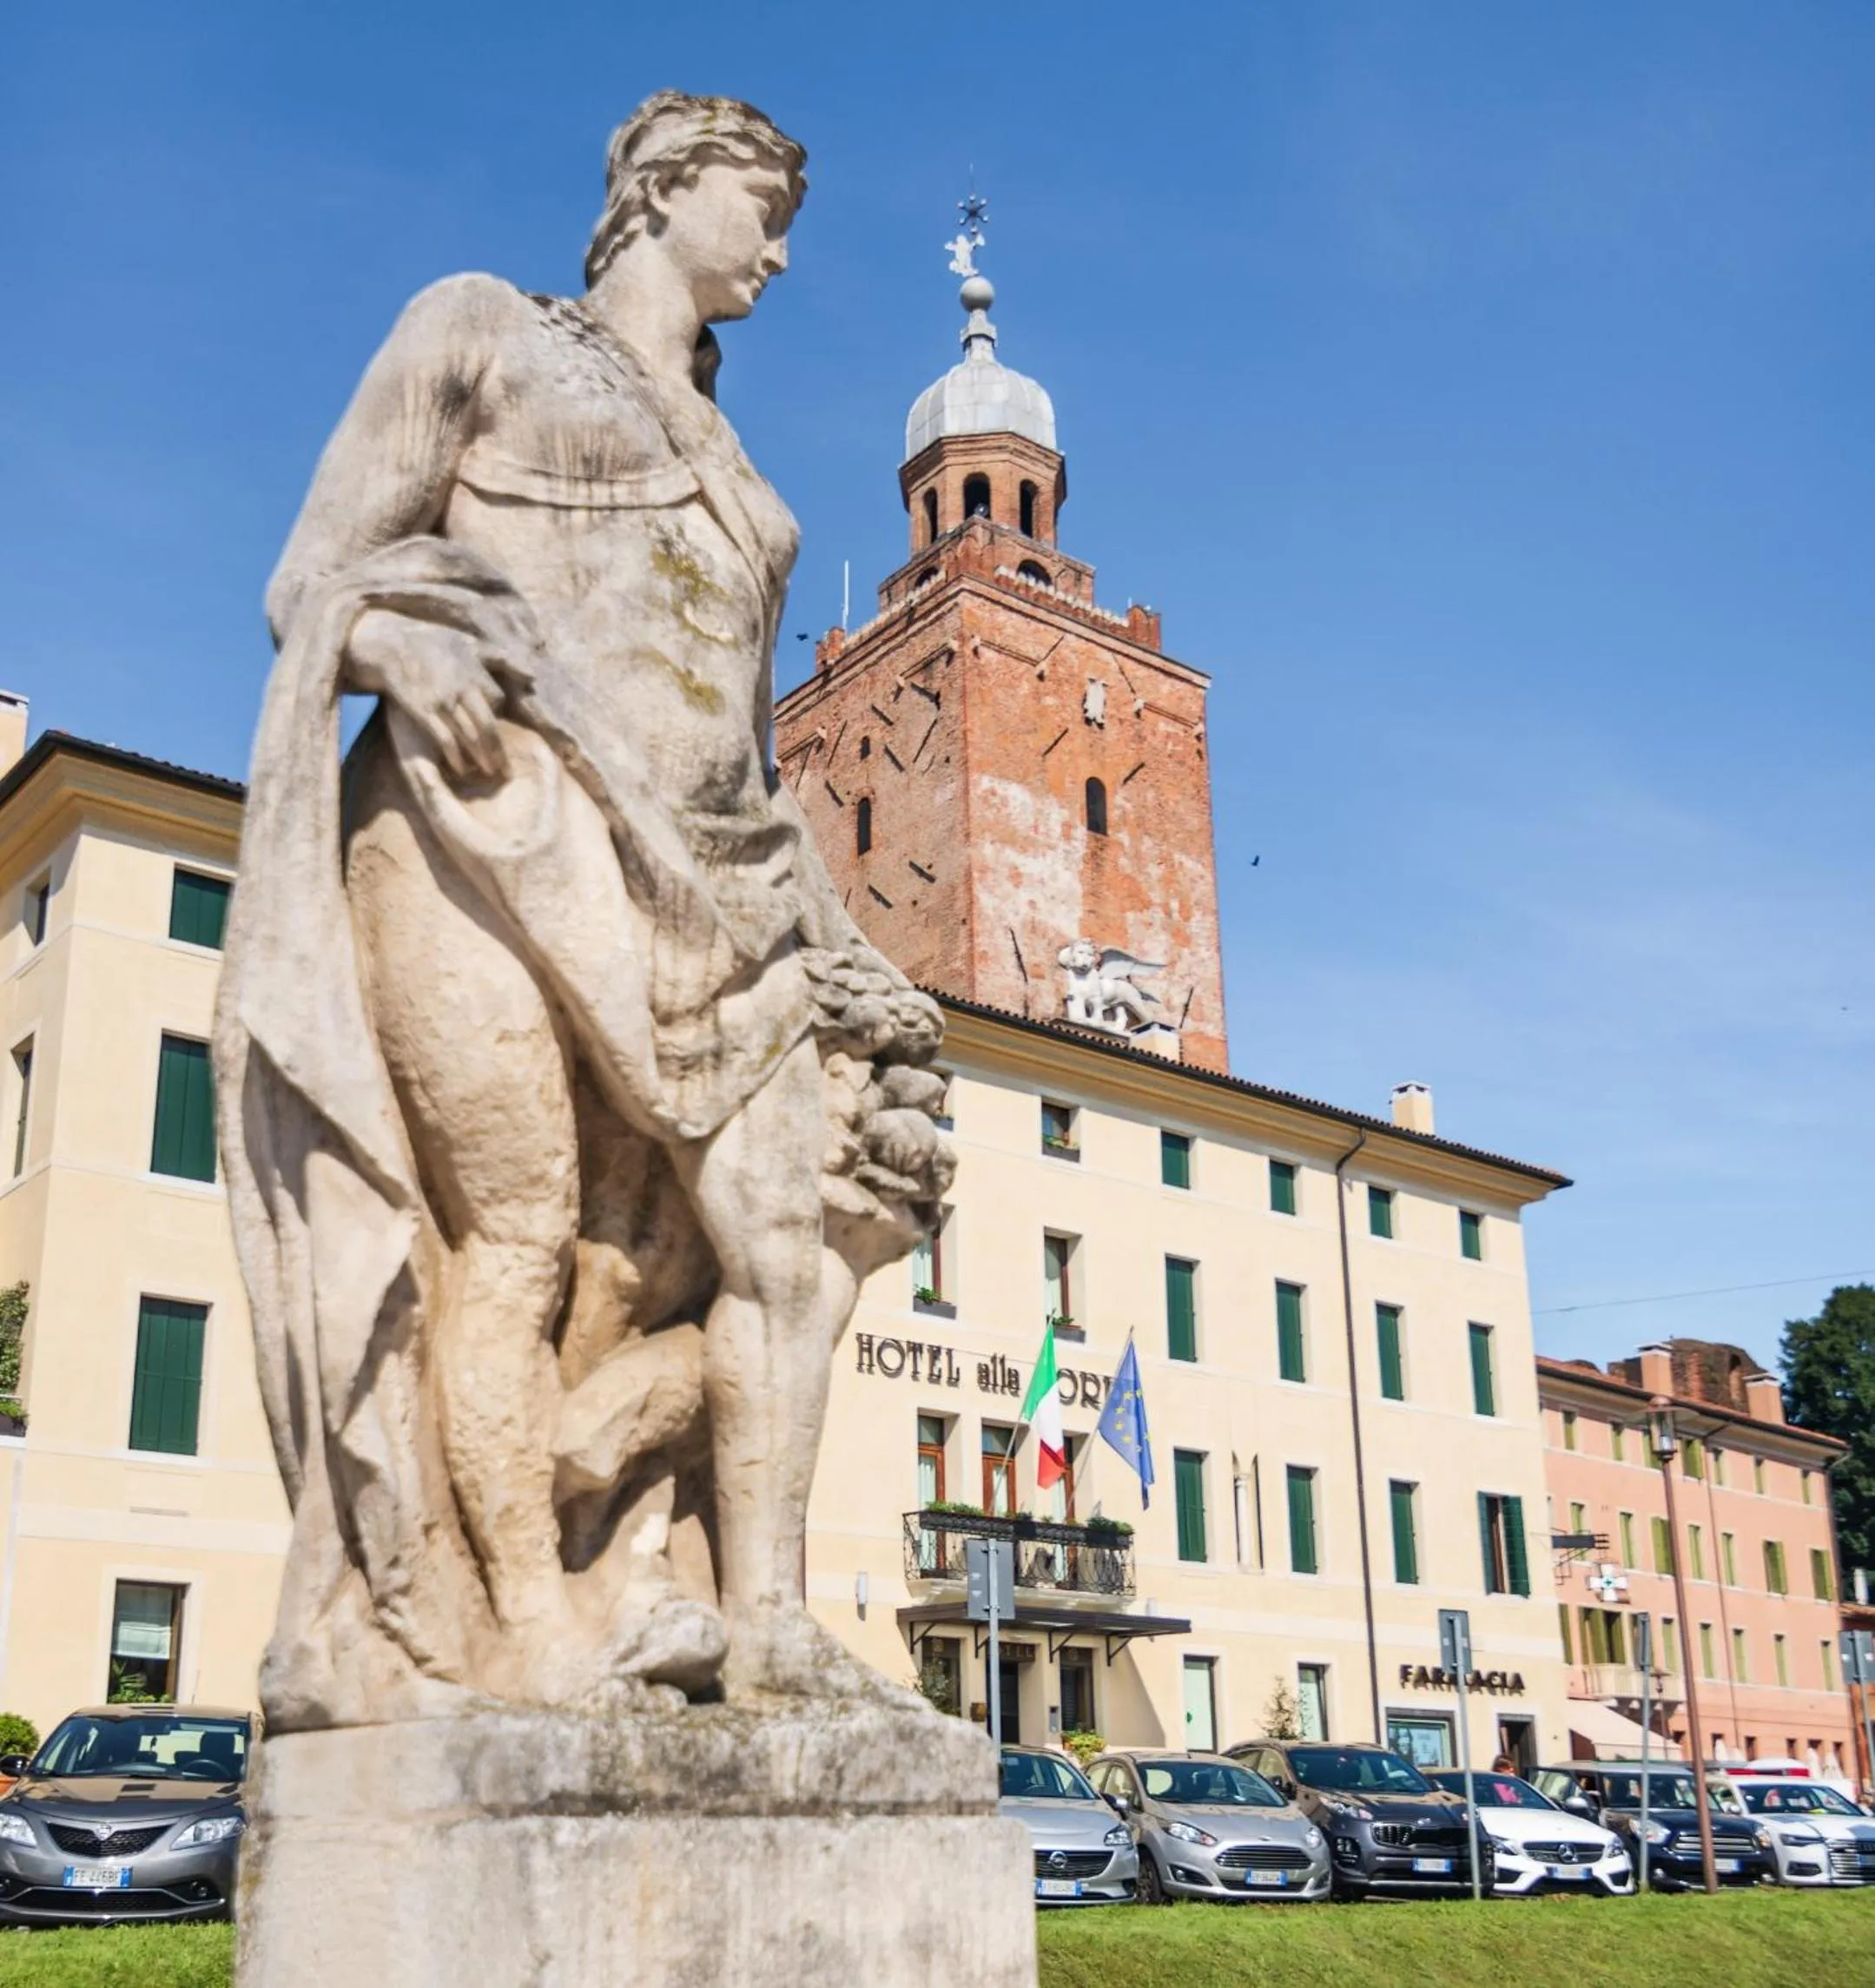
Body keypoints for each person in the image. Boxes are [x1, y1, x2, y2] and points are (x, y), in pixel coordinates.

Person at [217, 92, 948, 1727]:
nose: (777, 247)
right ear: (661, 189)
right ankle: (528, 1627)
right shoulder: (480, 329)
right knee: (518, 1236)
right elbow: (310, 570)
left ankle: (764, 1625)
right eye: (758, 206)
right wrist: (385, 641)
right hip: (491, 819)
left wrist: (845, 949)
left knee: (785, 1251)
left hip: (714, 879)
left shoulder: (729, 453)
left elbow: (746, 744)